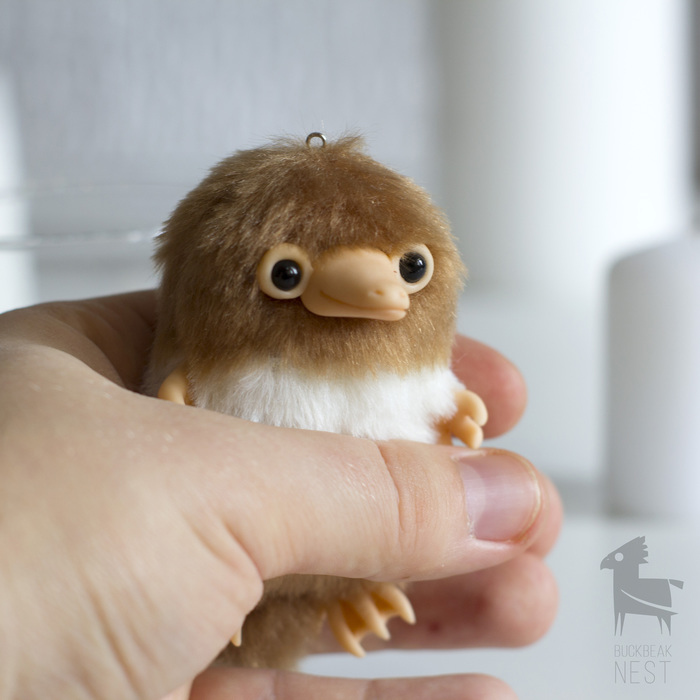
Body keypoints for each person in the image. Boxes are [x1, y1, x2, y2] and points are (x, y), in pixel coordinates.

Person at [0, 291, 562, 700]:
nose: (376, 291)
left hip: (334, 578)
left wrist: (453, 406)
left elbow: (440, 395)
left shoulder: (411, 362)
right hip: (237, 577)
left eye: (410, 268)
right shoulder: (220, 365)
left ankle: (347, 595)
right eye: (286, 275)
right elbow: (173, 409)